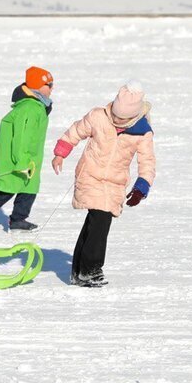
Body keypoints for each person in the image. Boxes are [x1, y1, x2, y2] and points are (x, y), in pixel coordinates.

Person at [51, 81, 155, 287]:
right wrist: (60, 153)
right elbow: (76, 131)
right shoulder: (99, 116)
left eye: (121, 118)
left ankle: (79, 271)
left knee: (95, 221)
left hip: (115, 182)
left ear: (133, 116)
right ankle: (91, 269)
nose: (116, 120)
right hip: (89, 174)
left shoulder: (142, 131)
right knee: (100, 219)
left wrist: (141, 187)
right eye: (115, 115)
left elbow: (148, 161)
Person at [0, 66, 54, 233]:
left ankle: (18, 219)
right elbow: (21, 137)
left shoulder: (38, 106)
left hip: (31, 156)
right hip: (18, 156)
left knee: (29, 188)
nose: (52, 88)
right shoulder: (29, 107)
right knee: (8, 187)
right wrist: (21, 160)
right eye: (49, 84)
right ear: (37, 86)